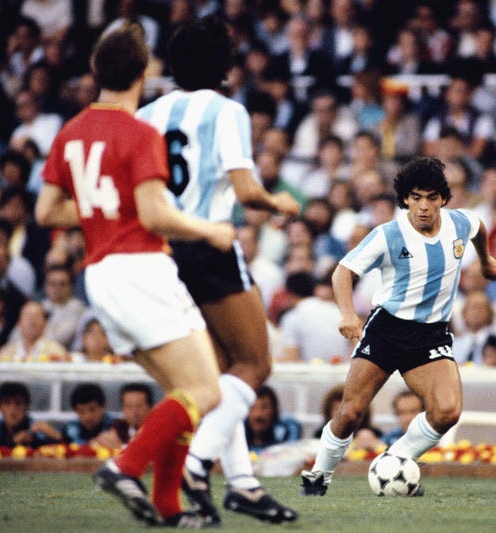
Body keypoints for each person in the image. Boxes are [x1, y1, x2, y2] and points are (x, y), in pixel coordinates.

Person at [36, 25, 231, 528]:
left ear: (95, 73)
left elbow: (45, 212)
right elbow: (155, 216)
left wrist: (102, 214)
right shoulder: (140, 132)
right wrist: (209, 230)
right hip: (142, 267)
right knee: (209, 392)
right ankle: (125, 466)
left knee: (184, 393)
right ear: (145, 75)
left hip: (100, 275)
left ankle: (168, 508)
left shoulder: (71, 131)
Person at [135, 17, 300, 525]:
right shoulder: (227, 111)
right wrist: (280, 204)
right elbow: (246, 191)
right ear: (224, 63)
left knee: (221, 372)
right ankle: (198, 464)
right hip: (208, 242)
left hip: (163, 250)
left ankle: (244, 483)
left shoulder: (148, 113)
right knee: (255, 365)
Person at [300, 157, 496, 496]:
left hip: (431, 334)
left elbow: (479, 226)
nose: (424, 206)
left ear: (443, 199)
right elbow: (342, 272)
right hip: (387, 330)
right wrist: (348, 314)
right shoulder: (388, 235)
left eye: (432, 197)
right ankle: (319, 476)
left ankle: (395, 460)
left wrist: (486, 259)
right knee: (349, 413)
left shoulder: (459, 223)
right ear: (405, 198)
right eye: (416, 197)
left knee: (447, 411)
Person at [0, 381, 58, 448]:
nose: (13, 409)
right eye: (7, 403)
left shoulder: (37, 429)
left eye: (18, 403)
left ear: (27, 407)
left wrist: (56, 436)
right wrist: (13, 443)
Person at [243, 385, 303, 453]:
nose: (258, 414)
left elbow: (290, 454)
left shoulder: (288, 427)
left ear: (274, 409)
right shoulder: (240, 429)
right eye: (252, 408)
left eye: (264, 407)